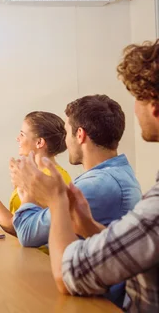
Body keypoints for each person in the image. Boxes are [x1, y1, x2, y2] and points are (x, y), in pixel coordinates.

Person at [11, 39, 159, 312]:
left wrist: (41, 197)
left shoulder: (102, 184)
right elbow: (130, 246)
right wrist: (84, 223)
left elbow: (33, 238)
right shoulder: (109, 178)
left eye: (138, 97)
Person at [11, 95, 141, 249]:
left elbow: (27, 234)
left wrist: (27, 191)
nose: (65, 141)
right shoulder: (117, 173)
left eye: (67, 133)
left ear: (80, 135)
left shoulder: (97, 185)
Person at [0, 111, 71, 236]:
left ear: (39, 142)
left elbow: (15, 227)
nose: (17, 138)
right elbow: (16, 220)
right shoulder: (34, 174)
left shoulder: (49, 178)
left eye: (22, 134)